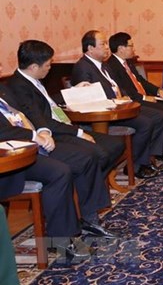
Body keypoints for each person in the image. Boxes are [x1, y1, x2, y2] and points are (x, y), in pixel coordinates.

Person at [0, 66, 115, 261]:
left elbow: (27, 114)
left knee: (82, 159)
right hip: (9, 160)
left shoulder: (3, 89)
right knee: (59, 172)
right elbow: (3, 132)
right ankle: (60, 241)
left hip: (27, 148)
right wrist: (35, 135)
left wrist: (41, 132)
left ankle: (85, 219)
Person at [8, 40, 125, 178]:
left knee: (116, 144)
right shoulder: (19, 87)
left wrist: (74, 90)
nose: (50, 67)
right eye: (48, 65)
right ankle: (88, 185)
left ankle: (91, 181)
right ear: (34, 67)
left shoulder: (33, 78)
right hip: (54, 132)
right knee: (98, 154)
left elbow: (48, 102)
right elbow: (39, 118)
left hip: (63, 125)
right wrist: (79, 133)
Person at [71, 30, 163, 179]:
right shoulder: (83, 67)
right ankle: (134, 166)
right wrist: (116, 100)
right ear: (90, 48)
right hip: (105, 114)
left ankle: (146, 158)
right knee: (146, 123)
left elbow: (115, 86)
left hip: (120, 107)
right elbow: (89, 99)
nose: (107, 48)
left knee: (157, 115)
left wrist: (125, 96)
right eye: (102, 44)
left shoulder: (103, 65)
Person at [107, 32, 163, 161]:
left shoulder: (127, 63)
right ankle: (160, 149)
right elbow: (124, 90)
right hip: (133, 100)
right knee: (162, 111)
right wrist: (144, 98)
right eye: (131, 46)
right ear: (121, 48)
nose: (133, 49)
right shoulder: (111, 65)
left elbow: (141, 81)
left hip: (141, 96)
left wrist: (158, 90)